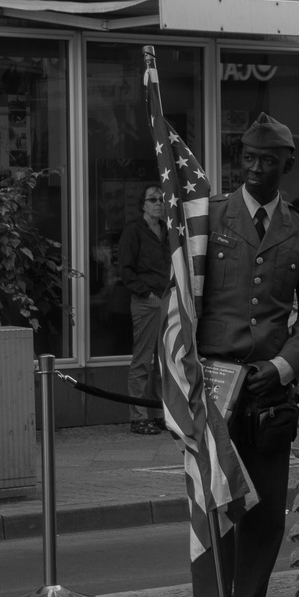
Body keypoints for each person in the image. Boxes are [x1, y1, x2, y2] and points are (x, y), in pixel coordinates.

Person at [191, 113, 299, 597]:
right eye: (247, 157)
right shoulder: (206, 219)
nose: (254, 168)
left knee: (266, 512)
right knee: (213, 506)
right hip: (214, 384)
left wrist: (284, 366)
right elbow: (180, 300)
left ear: (286, 165)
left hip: (269, 388)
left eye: (267, 160)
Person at [115, 185, 170, 434]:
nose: (158, 203)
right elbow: (125, 270)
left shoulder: (169, 232)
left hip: (168, 299)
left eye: (161, 199)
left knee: (162, 363)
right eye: (153, 199)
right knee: (143, 361)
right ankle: (138, 417)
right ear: (143, 205)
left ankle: (159, 414)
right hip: (146, 301)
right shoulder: (134, 232)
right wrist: (146, 292)